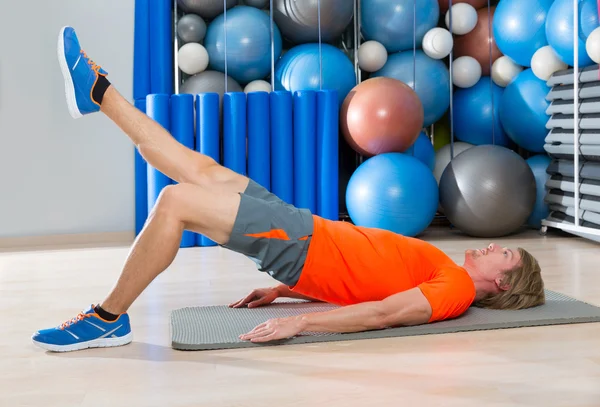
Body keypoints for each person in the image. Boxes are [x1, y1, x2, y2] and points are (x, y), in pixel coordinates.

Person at [32, 27, 545, 352]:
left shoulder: (456, 290)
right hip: (303, 233)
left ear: (504, 283)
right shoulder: (448, 273)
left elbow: (385, 314)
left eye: (506, 255)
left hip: (299, 242)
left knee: (176, 201)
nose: (496, 246)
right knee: (197, 168)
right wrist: (286, 291)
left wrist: (300, 323)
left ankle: (106, 319)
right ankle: (97, 89)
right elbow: (372, 280)